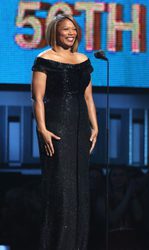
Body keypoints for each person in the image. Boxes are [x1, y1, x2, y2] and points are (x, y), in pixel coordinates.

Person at [31, 14, 98, 250]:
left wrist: (95, 126)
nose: (72, 33)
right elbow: (37, 98)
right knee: (62, 186)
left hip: (80, 128)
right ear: (55, 32)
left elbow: (88, 97)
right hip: (56, 126)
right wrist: (42, 129)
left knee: (80, 186)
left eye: (74, 29)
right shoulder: (44, 59)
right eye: (66, 29)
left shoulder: (83, 59)